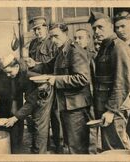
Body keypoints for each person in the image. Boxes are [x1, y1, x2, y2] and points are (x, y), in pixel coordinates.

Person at [27, 22, 92, 154]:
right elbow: (48, 66)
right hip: (67, 105)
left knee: (77, 146)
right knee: (70, 144)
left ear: (65, 33)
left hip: (76, 108)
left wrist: (56, 80)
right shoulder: (62, 50)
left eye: (56, 36)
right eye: (51, 37)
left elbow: (83, 78)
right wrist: (33, 65)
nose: (53, 40)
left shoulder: (75, 51)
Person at [88, 11, 130, 151]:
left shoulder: (118, 47)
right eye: (94, 28)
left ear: (110, 27)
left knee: (116, 146)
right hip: (106, 102)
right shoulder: (105, 46)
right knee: (109, 145)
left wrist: (111, 110)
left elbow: (122, 82)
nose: (96, 31)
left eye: (100, 27)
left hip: (116, 105)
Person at [2, 54, 54, 154]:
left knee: (39, 124)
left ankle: (40, 153)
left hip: (44, 94)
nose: (8, 75)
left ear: (16, 66)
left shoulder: (28, 75)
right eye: (6, 73)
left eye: (9, 72)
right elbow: (16, 92)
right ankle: (38, 148)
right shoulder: (16, 73)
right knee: (34, 123)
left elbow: (31, 102)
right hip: (34, 95)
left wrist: (16, 117)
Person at [28, 16, 63, 153]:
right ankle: (44, 145)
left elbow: (55, 65)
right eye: (35, 30)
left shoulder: (53, 42)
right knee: (40, 116)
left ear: (46, 28)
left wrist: (38, 65)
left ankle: (59, 146)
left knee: (55, 115)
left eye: (39, 29)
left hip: (51, 83)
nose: (37, 32)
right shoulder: (32, 44)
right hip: (36, 85)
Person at [114, 11, 130, 151]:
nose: (120, 30)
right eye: (117, 27)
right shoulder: (117, 45)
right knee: (124, 131)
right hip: (123, 92)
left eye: (123, 26)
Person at [74, 28, 98, 154]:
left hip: (91, 96)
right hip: (80, 99)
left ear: (88, 39)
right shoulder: (75, 54)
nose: (77, 41)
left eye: (80, 37)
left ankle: (92, 153)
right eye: (75, 38)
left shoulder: (91, 55)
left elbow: (94, 79)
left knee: (92, 125)